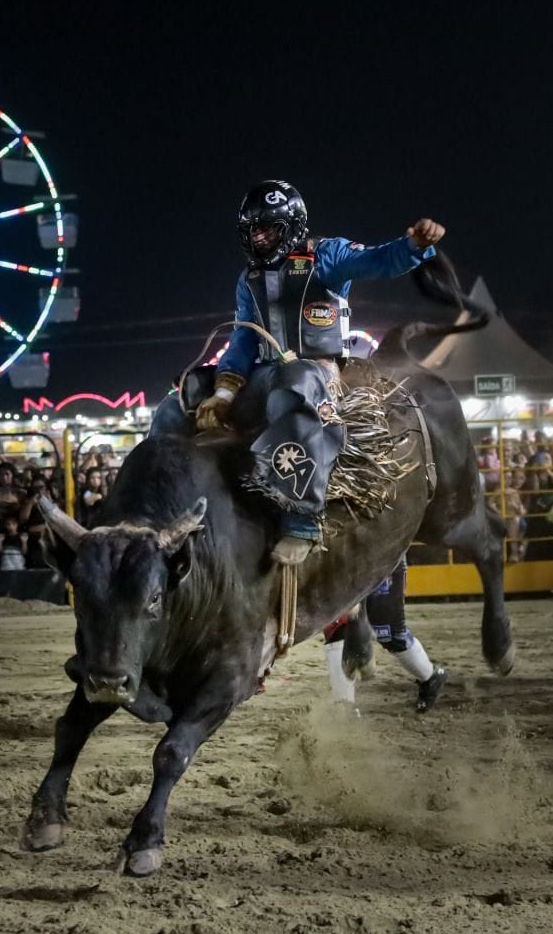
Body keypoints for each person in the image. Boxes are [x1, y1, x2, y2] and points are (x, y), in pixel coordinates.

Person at [148, 180, 444, 563]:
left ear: (292, 227)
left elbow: (379, 260)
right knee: (182, 396)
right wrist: (222, 393)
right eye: (252, 230)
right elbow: (243, 338)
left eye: (267, 229)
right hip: (265, 375)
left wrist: (414, 246)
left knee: (294, 385)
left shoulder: (327, 256)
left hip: (316, 374)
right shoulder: (248, 280)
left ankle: (302, 518)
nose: (258, 238)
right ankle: (153, 506)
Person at [321, 556, 448, 713]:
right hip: (340, 563)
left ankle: (431, 677)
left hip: (382, 560)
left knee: (389, 633)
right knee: (337, 627)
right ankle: (344, 709)